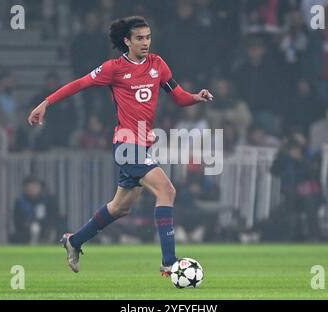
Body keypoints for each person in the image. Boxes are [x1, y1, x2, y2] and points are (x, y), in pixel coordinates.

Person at [27, 16, 214, 275]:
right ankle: (169, 262)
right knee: (166, 190)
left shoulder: (158, 64)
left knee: (119, 207)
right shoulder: (113, 69)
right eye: (139, 38)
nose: (145, 42)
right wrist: (46, 102)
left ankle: (74, 241)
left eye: (148, 37)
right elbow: (78, 84)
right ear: (126, 41)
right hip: (126, 145)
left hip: (143, 145)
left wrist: (196, 97)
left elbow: (178, 96)